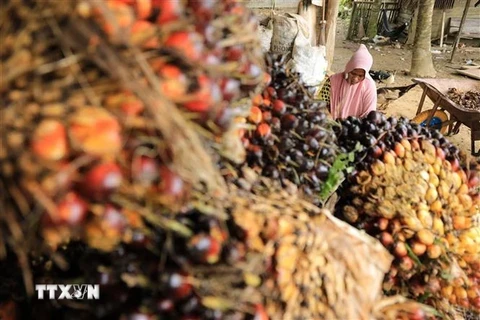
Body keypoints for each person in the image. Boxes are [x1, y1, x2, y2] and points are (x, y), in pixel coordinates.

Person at [317, 44, 377, 119]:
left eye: (360, 76)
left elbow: (369, 115)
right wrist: (329, 118)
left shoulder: (369, 87)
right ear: (349, 68)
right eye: (353, 73)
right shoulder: (333, 81)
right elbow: (320, 103)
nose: (355, 79)